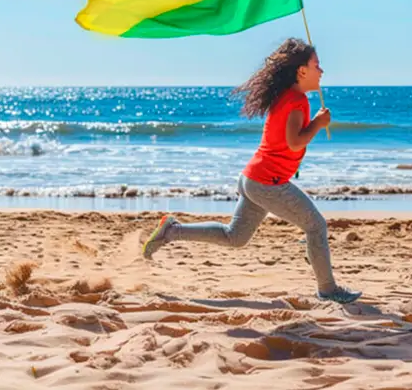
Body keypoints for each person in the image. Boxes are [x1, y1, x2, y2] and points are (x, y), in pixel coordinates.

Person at [141, 38, 361, 304]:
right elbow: (295, 142)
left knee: (234, 237)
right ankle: (328, 289)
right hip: (268, 183)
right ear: (302, 71)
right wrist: (317, 123)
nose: (322, 71)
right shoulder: (297, 101)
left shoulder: (286, 97)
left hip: (251, 179)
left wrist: (314, 123)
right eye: (317, 65)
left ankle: (172, 231)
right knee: (315, 225)